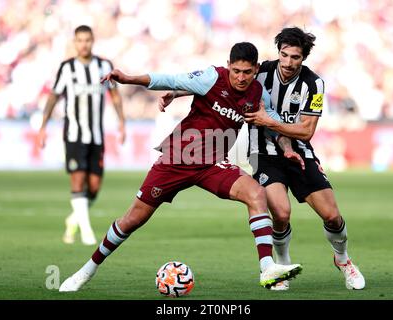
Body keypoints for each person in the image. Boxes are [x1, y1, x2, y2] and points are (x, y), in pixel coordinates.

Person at [58, 42, 303, 292]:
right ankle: (87, 270)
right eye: (236, 71)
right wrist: (130, 79)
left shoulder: (257, 95)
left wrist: (287, 148)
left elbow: (273, 121)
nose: (241, 77)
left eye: (247, 72)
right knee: (132, 219)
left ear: (256, 69)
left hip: (213, 163)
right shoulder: (212, 77)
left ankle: (267, 268)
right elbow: (173, 79)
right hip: (178, 158)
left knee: (256, 193)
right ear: (228, 66)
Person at [244, 27, 365, 290]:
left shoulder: (315, 84)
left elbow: (307, 131)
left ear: (304, 58)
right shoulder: (259, 71)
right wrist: (178, 91)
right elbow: (221, 78)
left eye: (295, 57)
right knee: (281, 213)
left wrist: (268, 121)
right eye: (284, 55)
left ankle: (343, 260)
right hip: (262, 154)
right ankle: (281, 265)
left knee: (332, 216)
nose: (287, 63)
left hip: (300, 153)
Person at [38, 25, 126, 245]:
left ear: (92, 41)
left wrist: (122, 122)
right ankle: (86, 232)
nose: (83, 44)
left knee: (94, 187)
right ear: (74, 42)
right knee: (77, 180)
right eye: (79, 40)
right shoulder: (67, 68)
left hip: (96, 135)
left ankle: (74, 218)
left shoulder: (104, 66)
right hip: (74, 134)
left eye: (87, 40)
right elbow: (53, 97)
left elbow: (115, 95)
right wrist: (43, 126)